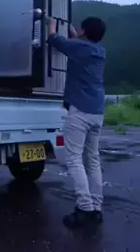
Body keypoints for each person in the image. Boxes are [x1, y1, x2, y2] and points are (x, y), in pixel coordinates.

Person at [47, 16, 107, 229]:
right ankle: (96, 208)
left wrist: (51, 24)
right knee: (93, 160)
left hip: (80, 110)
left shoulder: (79, 47)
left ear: (84, 31)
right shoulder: (99, 51)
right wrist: (75, 35)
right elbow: (77, 46)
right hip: (97, 111)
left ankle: (84, 208)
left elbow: (54, 39)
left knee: (74, 159)